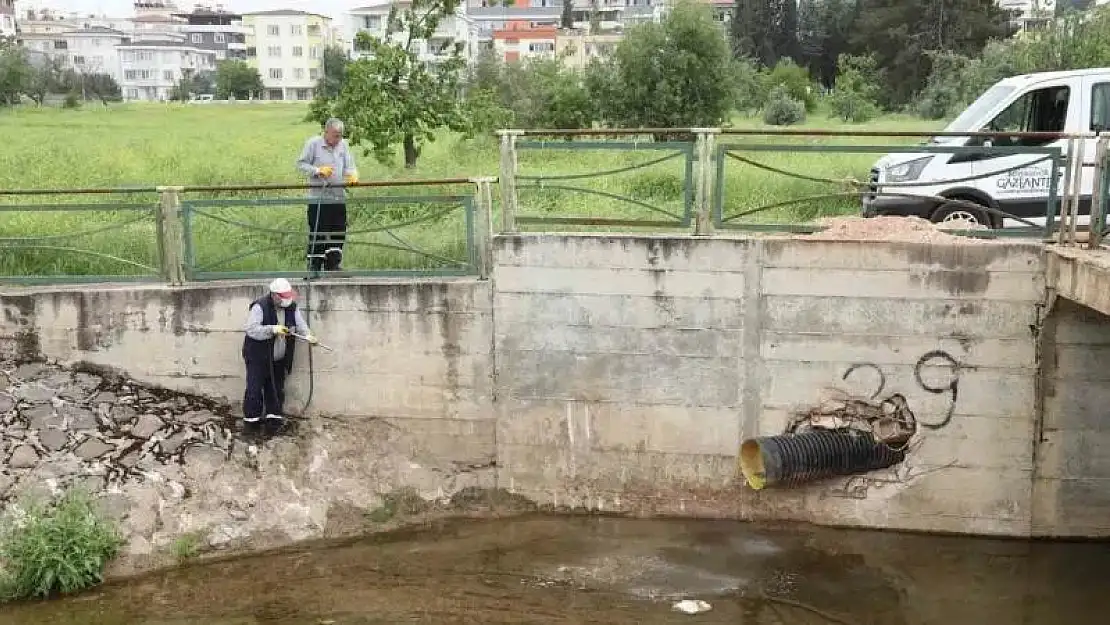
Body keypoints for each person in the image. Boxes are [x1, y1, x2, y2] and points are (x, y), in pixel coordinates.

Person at [241, 278, 317, 436]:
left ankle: (273, 421)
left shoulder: (292, 307)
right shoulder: (260, 307)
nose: (287, 300)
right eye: (283, 297)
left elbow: (301, 325)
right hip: (258, 357)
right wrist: (272, 329)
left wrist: (309, 335)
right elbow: (251, 330)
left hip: (279, 358)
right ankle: (251, 424)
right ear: (274, 295)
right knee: (254, 390)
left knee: (275, 389)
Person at [296, 117, 359, 272]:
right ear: (326, 132)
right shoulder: (313, 144)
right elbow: (300, 164)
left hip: (338, 197)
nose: (338, 139)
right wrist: (317, 171)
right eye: (335, 135)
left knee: (338, 230)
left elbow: (350, 166)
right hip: (319, 198)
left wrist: (352, 175)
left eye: (340, 135)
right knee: (319, 231)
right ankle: (314, 266)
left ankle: (333, 265)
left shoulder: (343, 145)